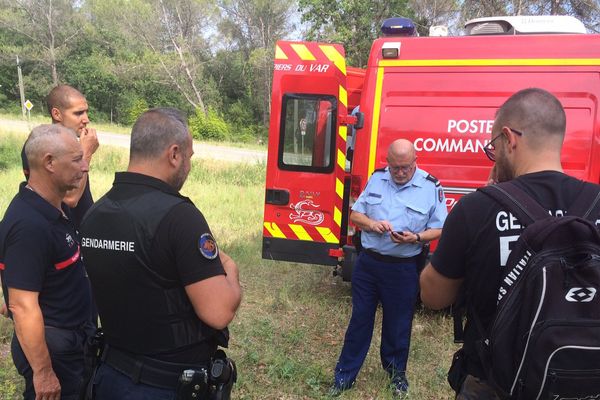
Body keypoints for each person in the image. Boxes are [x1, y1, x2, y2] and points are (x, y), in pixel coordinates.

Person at [419, 88, 600, 399]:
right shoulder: (595, 202)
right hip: (582, 381)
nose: (494, 155)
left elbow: (433, 297)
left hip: (495, 384)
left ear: (509, 138)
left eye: (493, 147)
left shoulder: (476, 209)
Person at [80, 108, 242, 399]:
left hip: (109, 377)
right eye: (190, 157)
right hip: (165, 384)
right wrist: (229, 267)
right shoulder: (179, 217)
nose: (189, 167)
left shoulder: (95, 214)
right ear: (174, 154)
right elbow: (219, 312)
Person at [332, 139, 448, 397]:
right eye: (394, 167)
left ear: (415, 161)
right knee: (360, 320)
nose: (399, 173)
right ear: (388, 162)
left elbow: (441, 227)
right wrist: (372, 224)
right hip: (369, 265)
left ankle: (396, 377)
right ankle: (344, 376)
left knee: (398, 325)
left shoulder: (431, 187)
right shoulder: (377, 178)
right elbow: (355, 215)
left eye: (405, 167)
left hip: (403, 268)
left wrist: (416, 238)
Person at [0, 124, 94, 400]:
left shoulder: (55, 206)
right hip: (54, 351)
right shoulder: (28, 224)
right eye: (77, 159)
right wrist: (43, 372)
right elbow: (22, 306)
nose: (85, 166)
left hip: (75, 343)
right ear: (49, 163)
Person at [21, 84, 99, 229]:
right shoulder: (39, 147)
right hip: (60, 232)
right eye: (78, 113)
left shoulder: (73, 146)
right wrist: (86, 153)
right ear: (57, 114)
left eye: (86, 112)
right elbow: (70, 199)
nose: (86, 119)